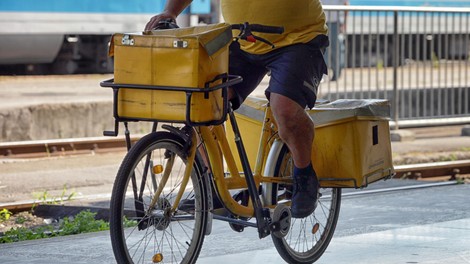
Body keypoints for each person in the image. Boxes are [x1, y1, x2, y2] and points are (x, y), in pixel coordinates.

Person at [145, 0, 329, 218]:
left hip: (298, 39)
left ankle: (304, 175)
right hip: (243, 39)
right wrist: (170, 12)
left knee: (285, 110)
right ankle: (211, 186)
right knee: (200, 101)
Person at [322, 0, 348, 81]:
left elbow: (346, 4)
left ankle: (336, 73)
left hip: (334, 23)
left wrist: (344, 23)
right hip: (322, 22)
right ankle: (323, 74)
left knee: (335, 49)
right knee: (323, 49)